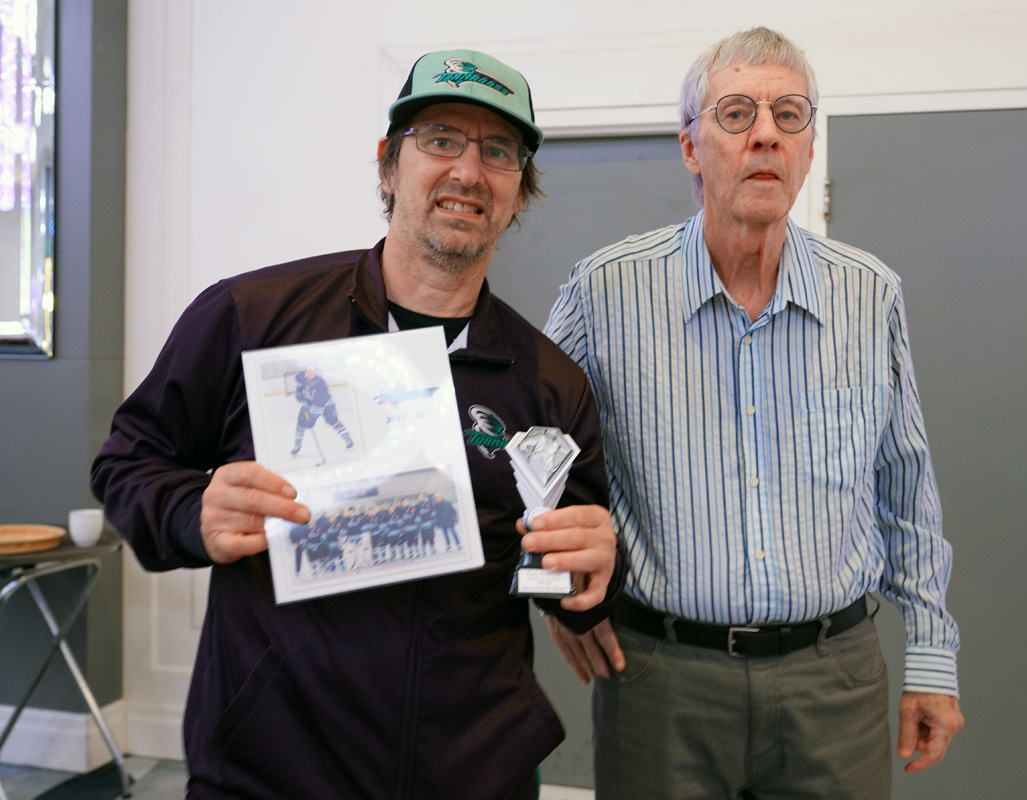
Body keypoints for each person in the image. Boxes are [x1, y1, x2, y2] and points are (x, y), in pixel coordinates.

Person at [91, 48, 624, 800]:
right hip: (271, 771)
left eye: (498, 151)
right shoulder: (253, 317)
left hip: (473, 774)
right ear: (388, 165)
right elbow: (127, 463)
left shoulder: (549, 382)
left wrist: (595, 569)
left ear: (518, 193)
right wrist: (190, 511)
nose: (469, 171)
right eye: (440, 139)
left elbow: (566, 562)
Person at [543, 27, 962, 799]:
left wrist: (932, 659)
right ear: (690, 148)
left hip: (832, 684)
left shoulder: (868, 294)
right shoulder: (605, 291)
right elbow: (534, 453)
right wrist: (557, 592)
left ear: (806, 149)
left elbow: (904, 485)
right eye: (736, 113)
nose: (765, 133)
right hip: (661, 683)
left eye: (788, 115)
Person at [289, 364, 353, 455]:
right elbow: (298, 380)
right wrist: (299, 391)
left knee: (333, 421)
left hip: (326, 405)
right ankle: (297, 444)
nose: (309, 374)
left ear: (316, 372)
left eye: (312, 372)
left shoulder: (321, 385)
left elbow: (319, 405)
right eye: (308, 372)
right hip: (308, 404)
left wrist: (312, 419)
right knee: (301, 422)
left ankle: (347, 438)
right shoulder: (302, 376)